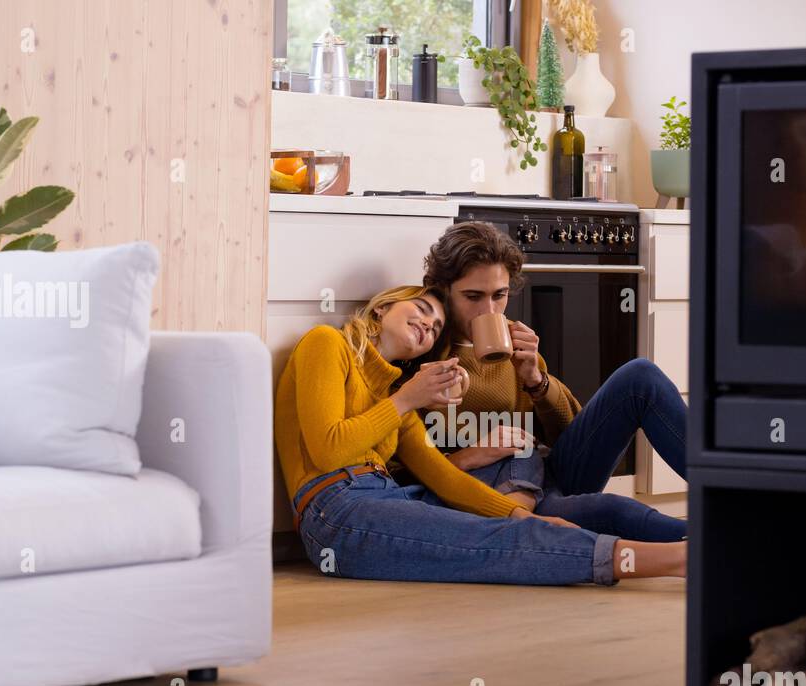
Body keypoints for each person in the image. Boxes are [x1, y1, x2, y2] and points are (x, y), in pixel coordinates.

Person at [273, 284, 686, 585]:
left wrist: (519, 512)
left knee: (527, 478)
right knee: (495, 541)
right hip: (333, 510)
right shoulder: (328, 344)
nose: (427, 325)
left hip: (387, 497)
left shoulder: (398, 397)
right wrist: (409, 400)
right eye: (419, 309)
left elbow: (444, 478)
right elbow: (329, 451)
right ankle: (681, 559)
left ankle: (697, 542)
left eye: (436, 327)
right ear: (381, 309)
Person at [422, 220, 689, 541]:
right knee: (616, 510)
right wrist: (466, 457)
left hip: (542, 474)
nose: (488, 310)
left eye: (499, 295)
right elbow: (396, 472)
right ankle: (719, 543)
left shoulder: (517, 347)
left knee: (640, 376)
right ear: (444, 290)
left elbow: (576, 437)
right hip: (487, 494)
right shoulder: (422, 349)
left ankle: (736, 498)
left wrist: (536, 380)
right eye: (473, 296)